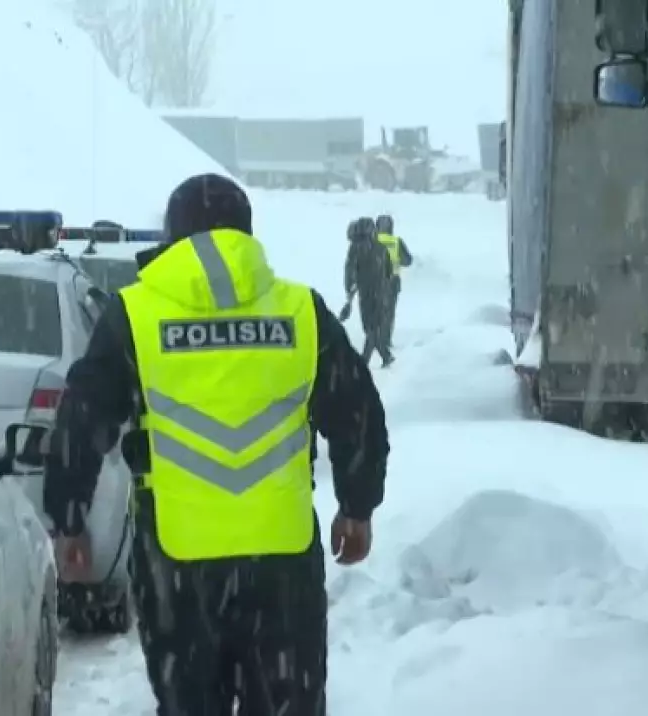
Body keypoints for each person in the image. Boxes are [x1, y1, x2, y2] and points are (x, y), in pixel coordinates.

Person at [43, 173, 389, 715]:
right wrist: (357, 505)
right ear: (247, 234)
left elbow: (82, 418)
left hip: (177, 568)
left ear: (173, 236)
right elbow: (357, 412)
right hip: (282, 562)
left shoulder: (135, 315)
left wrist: (68, 517)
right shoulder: (301, 311)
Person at [339, 217, 395, 367]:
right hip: (381, 293)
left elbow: (349, 271)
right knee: (373, 328)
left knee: (369, 328)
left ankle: (364, 362)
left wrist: (349, 290)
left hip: (366, 294)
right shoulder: (381, 247)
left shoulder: (355, 248)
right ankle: (385, 356)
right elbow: (389, 272)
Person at [374, 214, 413, 345]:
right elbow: (408, 261)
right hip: (392, 281)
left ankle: (374, 338)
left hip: (374, 281)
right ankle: (385, 340)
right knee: (389, 312)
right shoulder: (396, 241)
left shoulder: (372, 240)